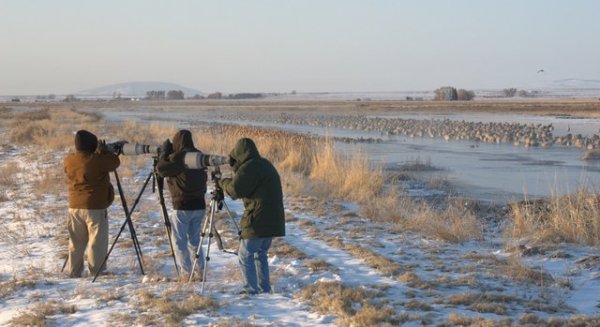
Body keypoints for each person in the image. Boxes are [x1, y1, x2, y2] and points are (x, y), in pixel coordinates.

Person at [217, 137, 285, 294]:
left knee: (245, 255)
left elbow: (235, 190)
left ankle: (250, 290)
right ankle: (264, 288)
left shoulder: (250, 167)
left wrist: (222, 182)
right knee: (261, 254)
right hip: (273, 219)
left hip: (258, 219)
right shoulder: (264, 164)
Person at [64, 130, 120, 278]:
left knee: (76, 242)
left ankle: (74, 271)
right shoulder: (96, 160)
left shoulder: (69, 160)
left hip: (74, 206)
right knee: (97, 241)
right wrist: (104, 152)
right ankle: (96, 271)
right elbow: (115, 163)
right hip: (95, 207)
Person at [156, 130, 208, 277]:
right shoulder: (198, 155)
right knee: (195, 241)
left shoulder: (178, 157)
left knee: (179, 242)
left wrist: (164, 154)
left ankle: (186, 274)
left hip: (183, 205)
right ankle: (200, 271)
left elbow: (161, 169)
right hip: (200, 205)